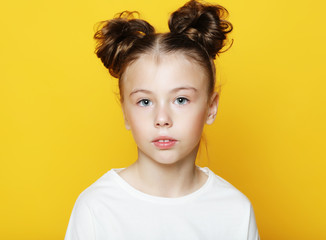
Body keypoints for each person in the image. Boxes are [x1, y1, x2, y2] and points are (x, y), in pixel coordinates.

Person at [64, 0, 260, 239]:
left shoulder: (235, 211)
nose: (162, 119)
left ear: (211, 107)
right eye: (145, 102)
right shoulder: (97, 208)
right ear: (125, 112)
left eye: (181, 100)